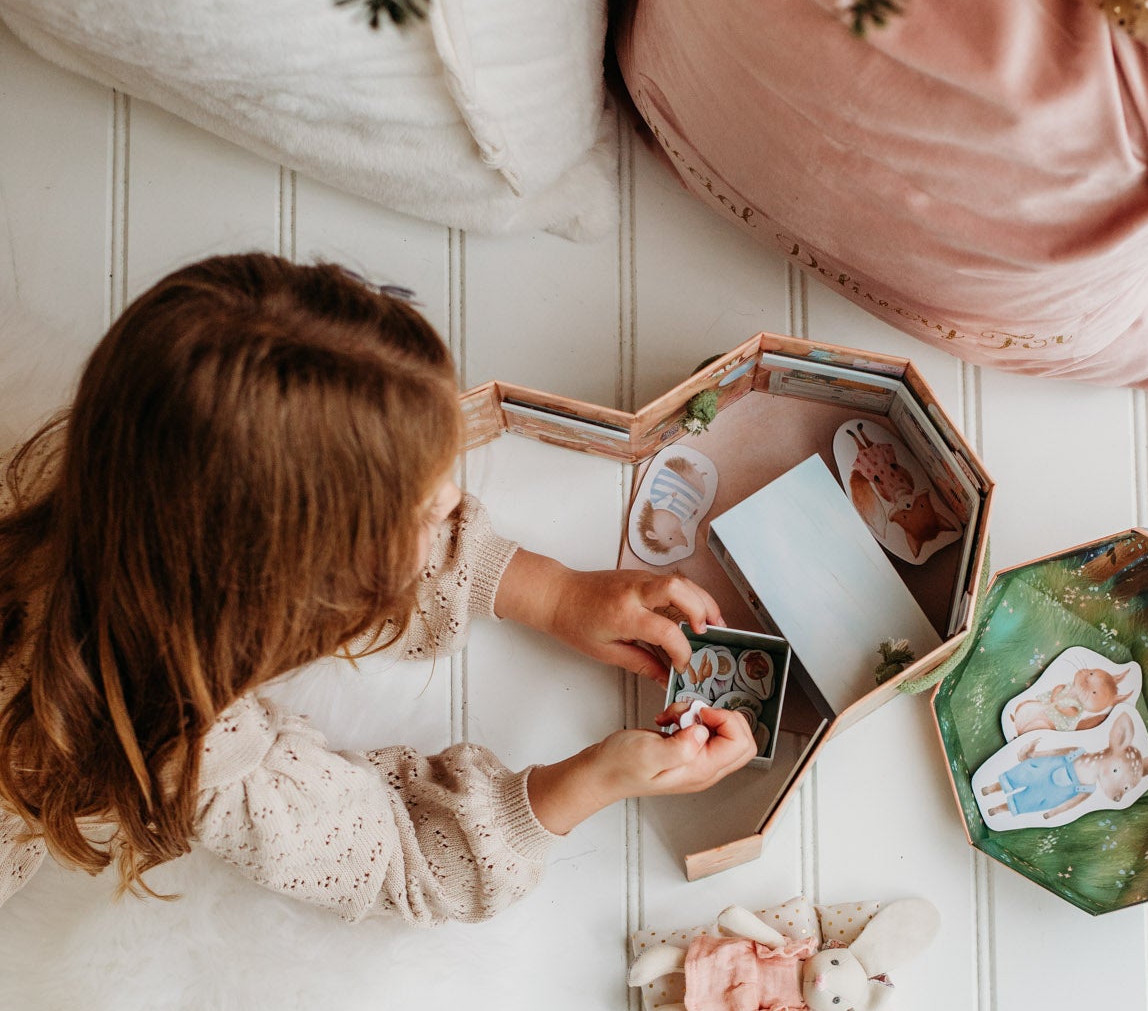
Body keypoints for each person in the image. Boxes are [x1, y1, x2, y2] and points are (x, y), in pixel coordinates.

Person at [0, 254, 754, 923]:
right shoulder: (185, 754)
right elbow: (392, 854)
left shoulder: (117, 479)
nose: (457, 502)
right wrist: (589, 780)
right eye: (428, 512)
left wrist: (551, 593)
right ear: (294, 601)